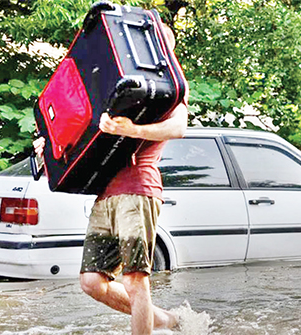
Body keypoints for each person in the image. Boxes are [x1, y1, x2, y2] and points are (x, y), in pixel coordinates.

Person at [34, 25, 187, 335]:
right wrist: (47, 146)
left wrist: (133, 130)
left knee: (134, 278)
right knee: (92, 282)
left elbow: (179, 128)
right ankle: (164, 320)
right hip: (105, 195)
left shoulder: (169, 89)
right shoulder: (115, 84)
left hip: (138, 189)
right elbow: (82, 136)